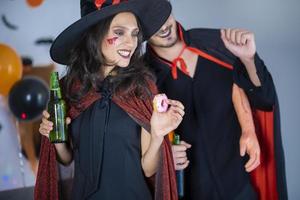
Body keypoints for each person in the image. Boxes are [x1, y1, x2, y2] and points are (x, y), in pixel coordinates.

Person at [34, 0, 184, 200]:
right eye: (120, 32)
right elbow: (67, 158)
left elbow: (148, 170)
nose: (131, 43)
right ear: (95, 34)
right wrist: (56, 136)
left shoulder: (141, 88)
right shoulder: (68, 89)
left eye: (134, 33)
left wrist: (158, 135)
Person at [145, 2, 287, 200]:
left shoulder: (216, 42)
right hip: (193, 192)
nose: (162, 26)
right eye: (150, 22)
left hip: (239, 187)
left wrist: (248, 60)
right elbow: (139, 148)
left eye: (163, 14)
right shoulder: (143, 79)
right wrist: (165, 155)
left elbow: (264, 100)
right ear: (139, 31)